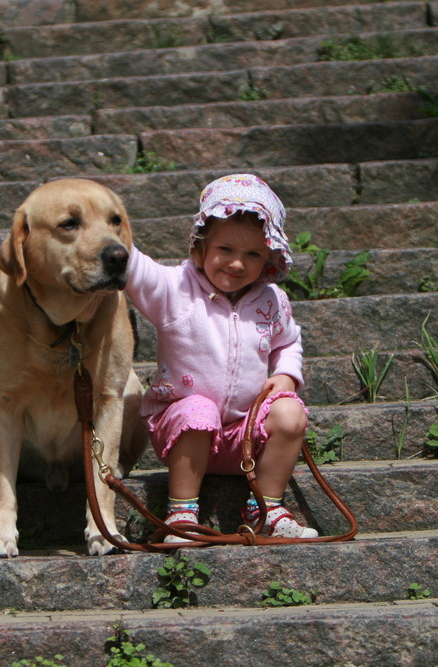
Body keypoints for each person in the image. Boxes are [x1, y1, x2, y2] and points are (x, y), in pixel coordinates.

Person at [124, 173, 317, 542]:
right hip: (183, 433)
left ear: (270, 258)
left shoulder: (271, 300)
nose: (237, 264)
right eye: (225, 250)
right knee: (198, 410)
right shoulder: (175, 289)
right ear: (200, 247)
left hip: (245, 437)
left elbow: (288, 341)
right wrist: (103, 223)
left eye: (253, 255)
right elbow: (136, 268)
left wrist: (288, 373)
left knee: (290, 412)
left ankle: (267, 506)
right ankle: (182, 513)